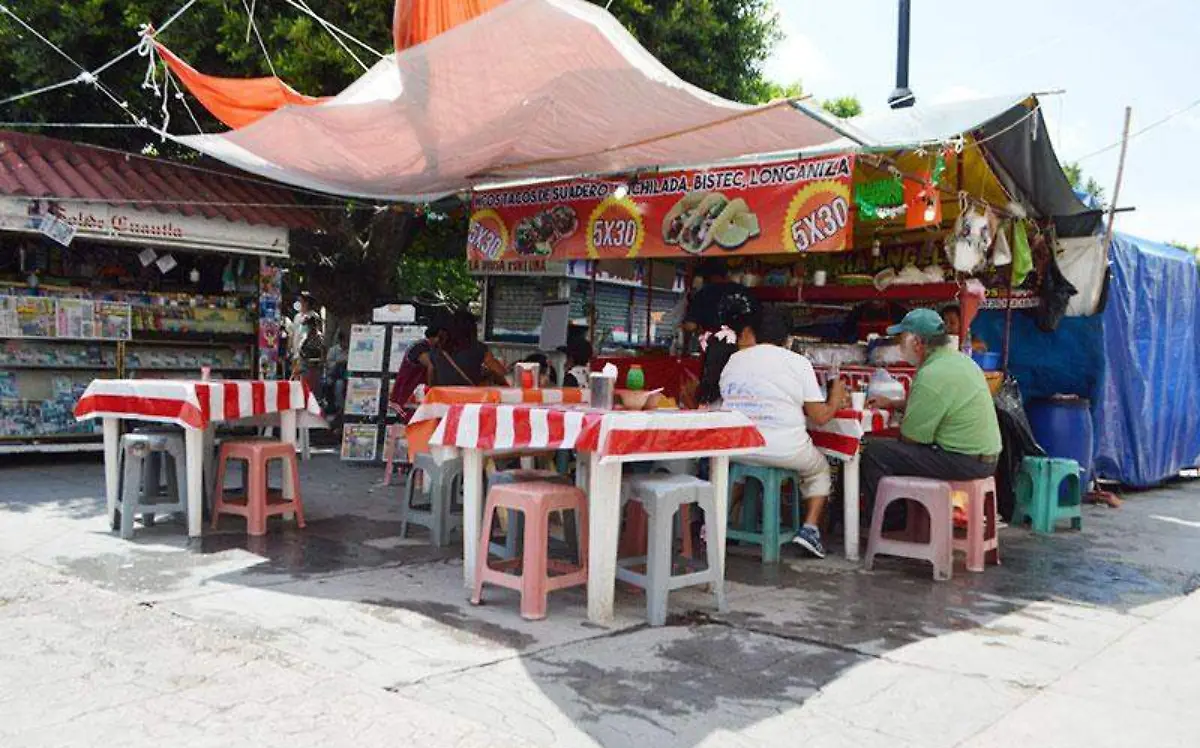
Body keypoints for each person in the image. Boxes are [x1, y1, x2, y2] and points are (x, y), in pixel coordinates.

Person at [720, 308, 848, 558]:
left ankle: (714, 524)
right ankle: (810, 529)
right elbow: (820, 417)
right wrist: (835, 397)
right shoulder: (798, 362)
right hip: (784, 450)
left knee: (741, 472)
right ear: (787, 339)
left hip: (738, 447)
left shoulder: (735, 359)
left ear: (753, 333)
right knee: (819, 469)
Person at [861, 308, 1002, 521]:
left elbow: (912, 438)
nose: (899, 346)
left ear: (917, 343)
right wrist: (893, 403)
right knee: (893, 451)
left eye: (901, 340)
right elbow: (940, 403)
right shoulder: (959, 361)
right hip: (985, 458)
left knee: (875, 452)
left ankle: (891, 524)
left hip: (964, 461)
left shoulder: (931, 374)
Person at [432, 309, 508, 386]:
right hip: (469, 395)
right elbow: (499, 371)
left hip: (443, 394)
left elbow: (433, 372)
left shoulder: (438, 347)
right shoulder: (477, 347)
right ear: (472, 327)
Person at [388, 322, 445, 420]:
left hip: (415, 396)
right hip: (408, 395)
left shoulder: (430, 348)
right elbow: (431, 366)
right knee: (412, 425)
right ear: (434, 337)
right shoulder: (420, 347)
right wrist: (432, 390)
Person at [682, 258, 749, 336]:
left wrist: (682, 326)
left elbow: (691, 326)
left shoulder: (703, 294)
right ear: (727, 273)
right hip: (742, 341)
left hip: (712, 341)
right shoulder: (743, 291)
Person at [287, 291, 324, 395]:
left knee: (306, 377)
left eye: (302, 301)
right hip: (296, 352)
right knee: (296, 376)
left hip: (307, 353)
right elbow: (293, 334)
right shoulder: (297, 317)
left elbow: (317, 334)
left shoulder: (313, 316)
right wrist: (290, 349)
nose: (300, 303)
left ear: (307, 302)